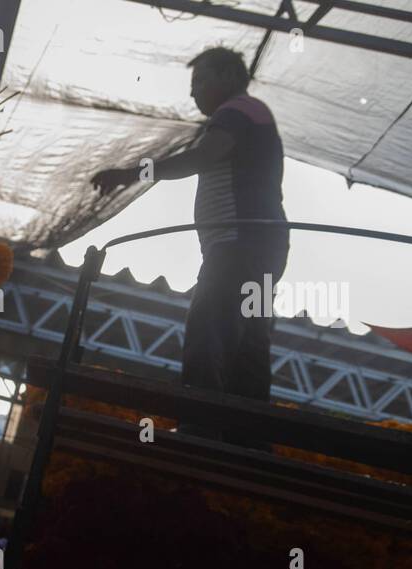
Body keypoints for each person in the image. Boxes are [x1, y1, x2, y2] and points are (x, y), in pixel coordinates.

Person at [92, 46, 288, 445]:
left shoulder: (237, 111)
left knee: (209, 327)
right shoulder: (249, 114)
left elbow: (201, 158)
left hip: (240, 243)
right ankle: (249, 441)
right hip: (260, 245)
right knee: (248, 340)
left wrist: (132, 173)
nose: (194, 92)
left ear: (227, 77)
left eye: (199, 81)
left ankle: (198, 429)